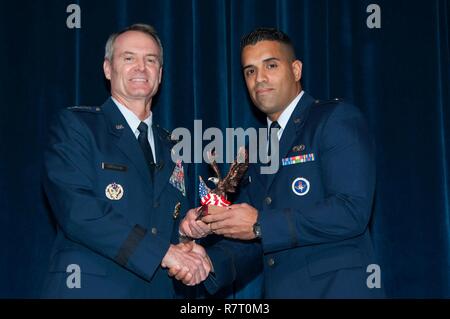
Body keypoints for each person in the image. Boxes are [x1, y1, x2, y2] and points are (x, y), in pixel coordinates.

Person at [179, 27, 383, 298]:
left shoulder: (334, 119)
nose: (259, 79)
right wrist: (205, 260)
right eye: (250, 71)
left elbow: (351, 211)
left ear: (296, 70)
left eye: (271, 65)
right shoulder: (259, 149)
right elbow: (253, 238)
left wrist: (260, 224)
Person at [41, 24, 212, 298]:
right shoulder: (77, 126)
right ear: (108, 69)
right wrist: (164, 253)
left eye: (151, 60)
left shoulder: (172, 145)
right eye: (129, 58)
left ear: (160, 74)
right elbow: (77, 211)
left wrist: (183, 233)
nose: (141, 68)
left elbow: (160, 222)